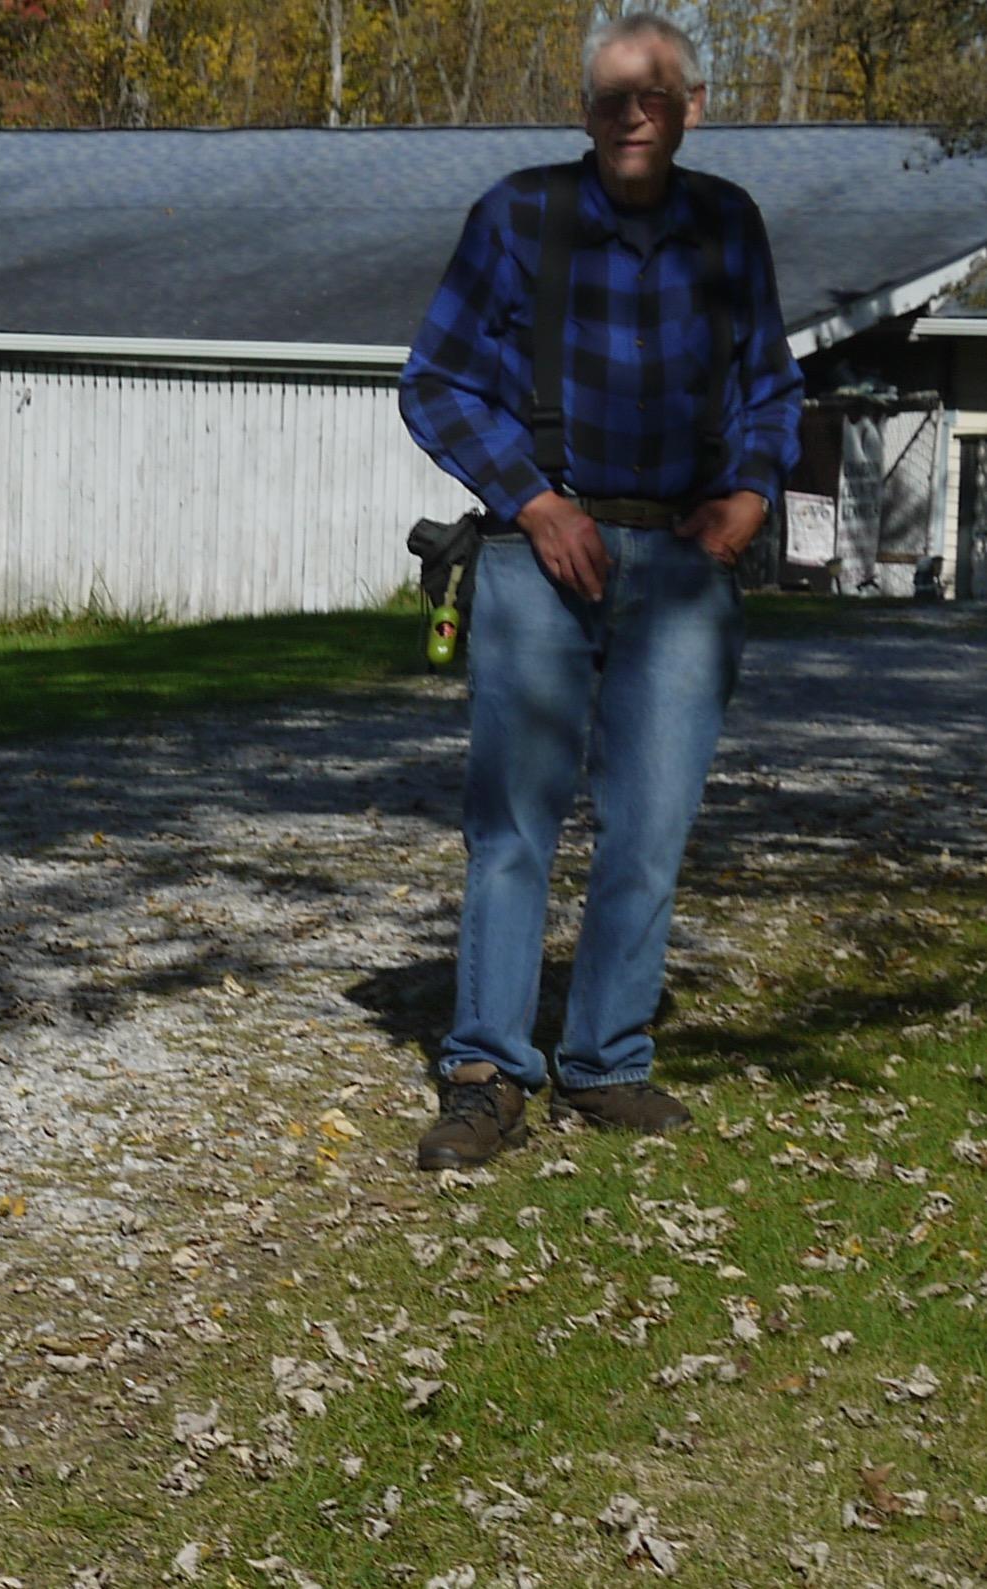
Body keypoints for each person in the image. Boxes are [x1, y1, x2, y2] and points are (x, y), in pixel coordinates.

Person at [398, 11, 803, 1171]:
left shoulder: (728, 225)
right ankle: (486, 1071)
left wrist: (751, 495)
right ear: (585, 110)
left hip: (682, 562)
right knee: (512, 824)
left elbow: (772, 391)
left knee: (652, 822)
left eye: (655, 93)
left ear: (691, 108)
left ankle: (606, 1058)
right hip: (540, 553)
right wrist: (533, 501)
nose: (633, 113)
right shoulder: (518, 215)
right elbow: (435, 381)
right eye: (613, 95)